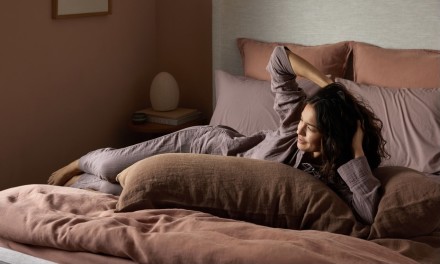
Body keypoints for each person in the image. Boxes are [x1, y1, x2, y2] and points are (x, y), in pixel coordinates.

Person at [48, 46, 388, 224]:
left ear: (334, 137)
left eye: (311, 127)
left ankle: (80, 183)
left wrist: (356, 152)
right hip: (204, 146)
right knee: (110, 168)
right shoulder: (290, 129)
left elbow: (368, 213)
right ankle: (77, 162)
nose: (299, 127)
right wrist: (329, 86)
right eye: (302, 119)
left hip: (206, 187)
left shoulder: (341, 174)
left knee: (113, 190)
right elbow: (279, 59)